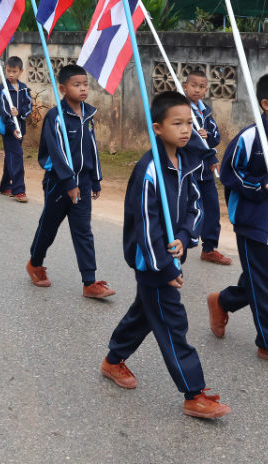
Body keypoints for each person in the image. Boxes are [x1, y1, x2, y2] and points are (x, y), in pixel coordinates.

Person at [102, 91, 230, 419]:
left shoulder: (188, 163)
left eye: (189, 123)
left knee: (146, 313)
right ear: (157, 128)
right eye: (177, 123)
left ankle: (113, 360)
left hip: (172, 255)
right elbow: (146, 226)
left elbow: (196, 205)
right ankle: (193, 393)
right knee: (173, 322)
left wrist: (186, 236)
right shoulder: (149, 170)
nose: (186, 129)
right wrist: (165, 268)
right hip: (153, 262)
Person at [208, 72, 268, 368]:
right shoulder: (250, 137)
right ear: (265, 104)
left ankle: (223, 301)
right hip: (255, 220)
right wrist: (260, 187)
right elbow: (229, 173)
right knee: (261, 283)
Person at [26, 64, 114, 299]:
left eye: (85, 84)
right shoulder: (55, 117)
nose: (83, 89)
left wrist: (95, 179)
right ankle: (35, 263)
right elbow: (55, 153)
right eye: (77, 85)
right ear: (63, 89)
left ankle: (90, 282)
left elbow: (92, 148)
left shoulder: (88, 114)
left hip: (83, 182)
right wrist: (68, 182)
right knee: (49, 227)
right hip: (59, 183)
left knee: (83, 230)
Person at [181, 70, 231, 266]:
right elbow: (182, 138)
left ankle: (209, 248)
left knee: (212, 209)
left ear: (206, 90)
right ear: (185, 87)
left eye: (201, 87)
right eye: (193, 85)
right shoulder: (181, 110)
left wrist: (207, 135)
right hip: (189, 171)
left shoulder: (206, 112)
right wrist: (195, 134)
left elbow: (216, 137)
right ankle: (178, 243)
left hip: (206, 171)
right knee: (189, 209)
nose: (197, 90)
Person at [0, 56, 33, 202]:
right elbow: (3, 110)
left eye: (14, 71)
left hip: (20, 128)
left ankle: (5, 185)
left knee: (11, 156)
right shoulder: (2, 88)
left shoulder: (24, 89)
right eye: (8, 71)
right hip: (8, 129)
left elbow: (28, 106)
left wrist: (20, 112)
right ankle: (19, 190)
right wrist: (12, 127)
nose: (10, 74)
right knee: (16, 157)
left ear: (20, 71)